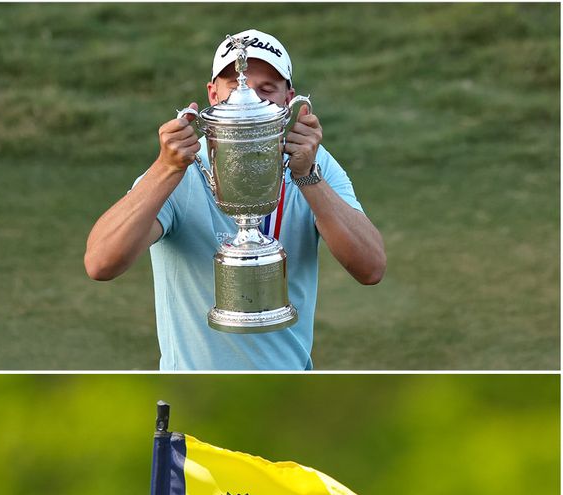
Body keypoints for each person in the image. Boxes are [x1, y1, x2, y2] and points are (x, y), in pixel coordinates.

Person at [85, 30, 385, 370]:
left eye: (267, 88)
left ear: (290, 100)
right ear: (213, 95)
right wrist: (165, 169)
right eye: (235, 84)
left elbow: (371, 268)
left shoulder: (315, 163)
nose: (252, 97)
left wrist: (307, 177)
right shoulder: (181, 167)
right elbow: (100, 263)